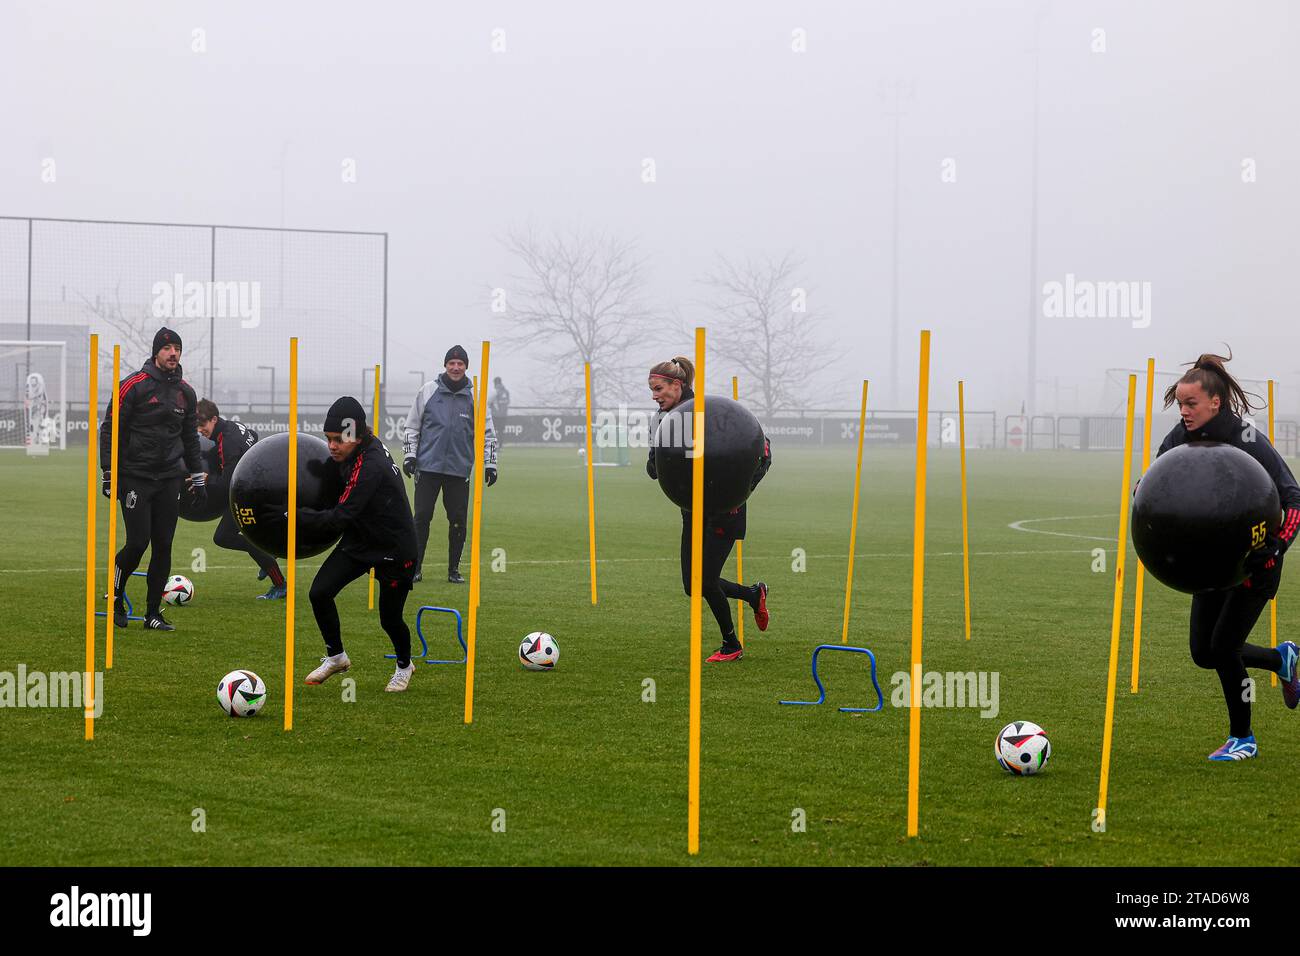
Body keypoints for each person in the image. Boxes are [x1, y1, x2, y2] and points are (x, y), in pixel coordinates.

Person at [1156, 352, 1300, 760]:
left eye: (1191, 404)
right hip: (1210, 562)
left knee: (1223, 648)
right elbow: (1160, 478)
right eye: (1180, 404)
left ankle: (1243, 739)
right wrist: (1142, 489)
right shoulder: (1178, 439)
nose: (1183, 412)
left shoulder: (1247, 438)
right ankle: (1281, 658)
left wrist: (1277, 546)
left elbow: (1293, 497)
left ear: (1215, 403)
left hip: (1257, 562)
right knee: (1204, 653)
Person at [646, 356, 771, 662]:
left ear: (677, 385)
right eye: (651, 390)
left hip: (725, 511)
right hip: (691, 511)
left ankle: (731, 644)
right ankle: (753, 595)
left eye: (659, 388)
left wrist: (740, 492)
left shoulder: (710, 413)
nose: (654, 395)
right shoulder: (661, 420)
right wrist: (661, 458)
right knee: (693, 585)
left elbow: (763, 453)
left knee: (705, 579)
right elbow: (652, 469)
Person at [299, 397, 420, 692]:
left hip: (395, 548)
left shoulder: (371, 465)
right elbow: (335, 476)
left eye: (339, 440)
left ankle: (404, 666)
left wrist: (296, 518)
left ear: (356, 435)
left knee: (389, 619)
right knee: (319, 592)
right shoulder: (358, 446)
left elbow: (341, 516)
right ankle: (336, 657)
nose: (332, 446)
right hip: (361, 539)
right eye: (328, 439)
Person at [99, 327, 205, 632]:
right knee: (137, 542)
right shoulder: (133, 385)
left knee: (164, 544)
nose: (173, 353)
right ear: (156, 351)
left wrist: (197, 478)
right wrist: (109, 472)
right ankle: (115, 597)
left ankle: (152, 614)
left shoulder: (186, 392)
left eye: (177, 349)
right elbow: (110, 430)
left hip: (170, 478)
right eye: (168, 348)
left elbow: (190, 438)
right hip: (135, 477)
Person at [401, 345, 499, 584]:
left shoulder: (476, 396)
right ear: (445, 365)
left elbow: (488, 435)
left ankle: (453, 570)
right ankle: (415, 568)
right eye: (451, 363)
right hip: (428, 468)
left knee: (457, 520)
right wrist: (409, 456)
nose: (456, 368)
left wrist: (490, 464)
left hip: (459, 470)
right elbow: (412, 427)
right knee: (421, 518)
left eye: (460, 364)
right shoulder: (428, 391)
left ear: (466, 367)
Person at [194, 399, 287, 598]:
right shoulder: (232, 427)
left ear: (214, 419)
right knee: (248, 535)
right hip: (259, 486)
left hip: (250, 493)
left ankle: (279, 583)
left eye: (202, 426)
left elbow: (226, 483)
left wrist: (207, 478)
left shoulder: (227, 442)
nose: (200, 430)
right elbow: (253, 435)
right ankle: (268, 553)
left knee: (224, 537)